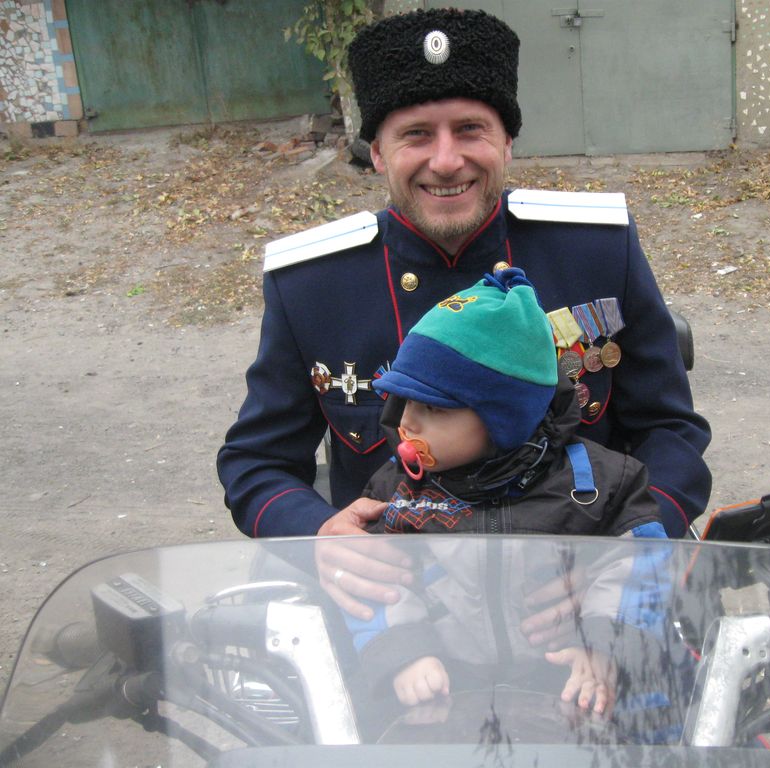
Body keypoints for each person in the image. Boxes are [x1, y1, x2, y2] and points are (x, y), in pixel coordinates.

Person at [217, 8, 710, 569]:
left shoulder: (594, 250)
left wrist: (633, 551)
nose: (446, 161)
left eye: (470, 129)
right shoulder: (313, 284)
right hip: (398, 595)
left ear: (507, 142)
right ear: (376, 152)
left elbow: (670, 432)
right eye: (416, 135)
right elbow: (256, 462)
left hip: (582, 587)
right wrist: (322, 535)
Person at [335, 268, 670, 714]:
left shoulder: (600, 484)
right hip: (450, 696)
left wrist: (606, 645)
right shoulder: (398, 490)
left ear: (503, 419)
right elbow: (375, 582)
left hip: (571, 692)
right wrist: (404, 654)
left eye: (433, 408)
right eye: (406, 401)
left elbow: (639, 569)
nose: (407, 422)